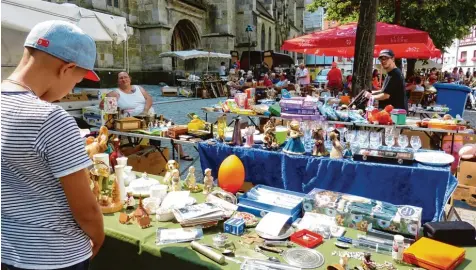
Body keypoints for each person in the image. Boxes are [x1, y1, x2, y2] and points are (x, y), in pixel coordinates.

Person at [1, 20, 104, 270]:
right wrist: (98, 238)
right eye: (76, 82)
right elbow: (86, 210)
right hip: (54, 254)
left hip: (7, 249)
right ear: (66, 68)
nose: (70, 90)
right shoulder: (52, 119)